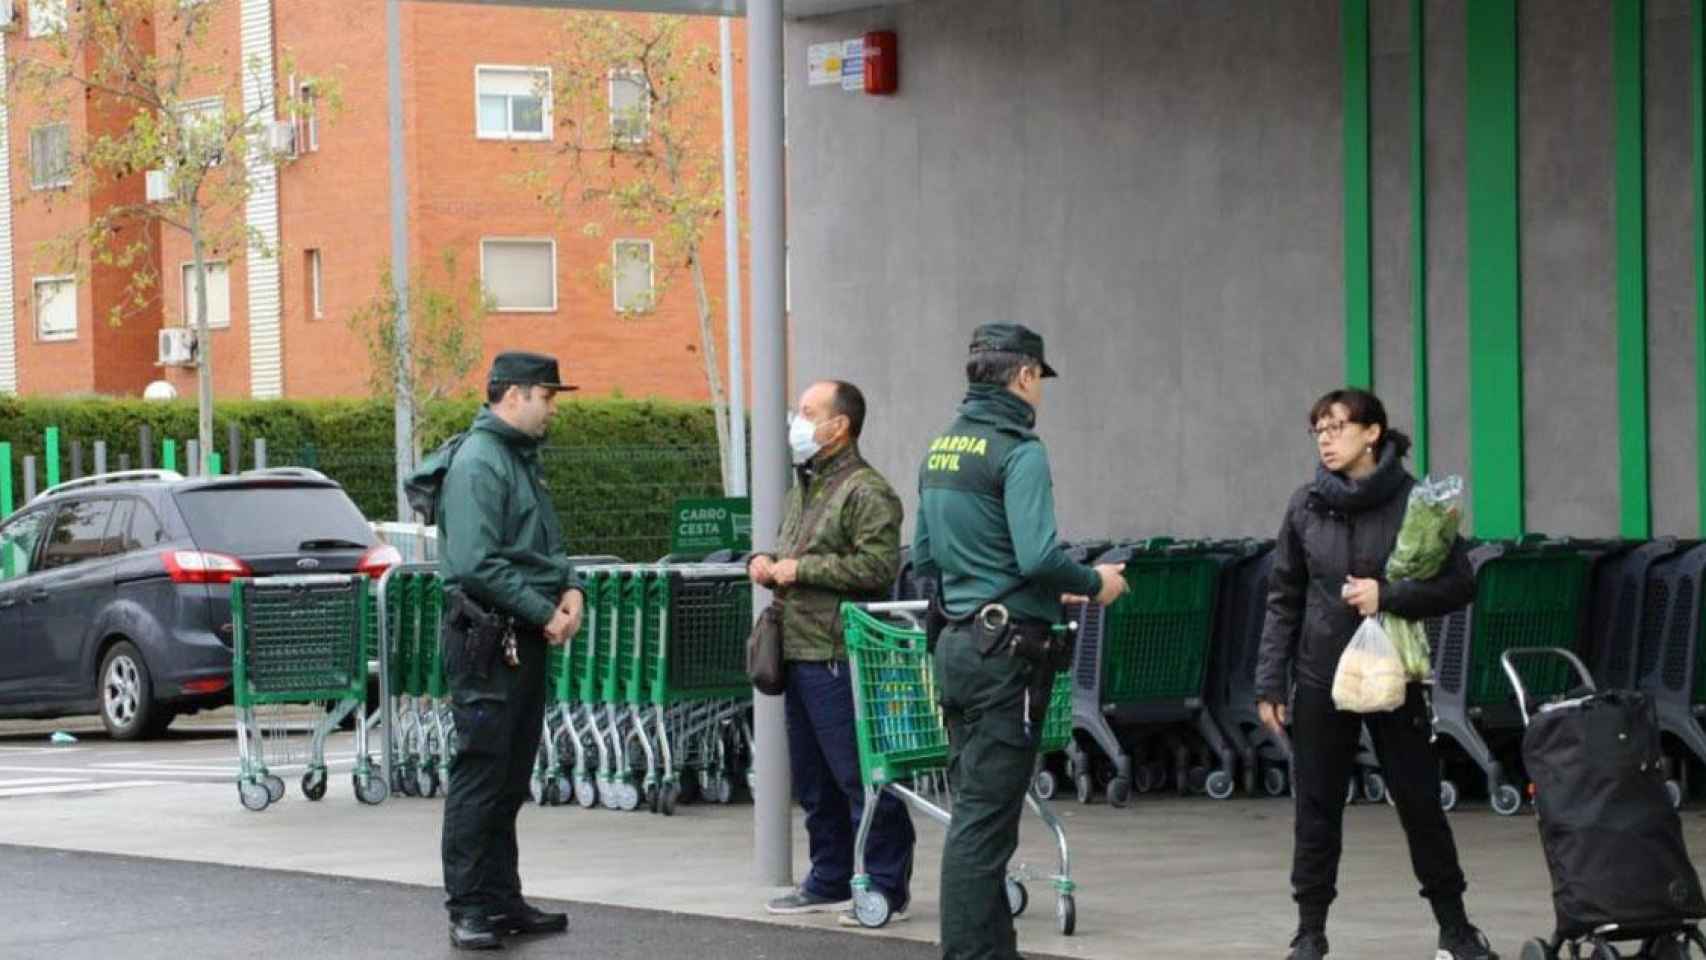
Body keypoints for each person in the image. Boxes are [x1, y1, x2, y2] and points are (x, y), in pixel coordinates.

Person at [911, 324, 1128, 960]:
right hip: (1008, 658)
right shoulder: (1019, 450)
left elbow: (926, 552)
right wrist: (1094, 583)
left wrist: (1014, 585)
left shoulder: (941, 448)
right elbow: (1036, 554)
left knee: (977, 812)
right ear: (1026, 375)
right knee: (985, 822)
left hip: (957, 645)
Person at [1254, 387, 1495, 960]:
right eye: (1318, 430)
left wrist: (1390, 593)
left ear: (1373, 434)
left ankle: (1456, 928)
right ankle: (1309, 931)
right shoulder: (1305, 504)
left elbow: (1460, 582)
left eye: (1338, 427)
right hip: (1320, 675)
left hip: (1394, 677)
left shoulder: (1416, 503)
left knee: (1418, 801)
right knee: (1316, 805)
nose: (1327, 439)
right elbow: (1283, 597)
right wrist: (1270, 681)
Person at [434, 352, 585, 951]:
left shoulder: (518, 460)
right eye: (548, 396)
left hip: (515, 634)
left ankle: (501, 898)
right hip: (487, 638)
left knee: (510, 772)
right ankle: (469, 905)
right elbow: (477, 562)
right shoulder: (480, 462)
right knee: (481, 771)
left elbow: (545, 545)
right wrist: (545, 609)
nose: (553, 407)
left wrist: (571, 586)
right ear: (516, 395)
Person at [756, 380, 917, 925]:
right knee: (813, 779)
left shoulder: (867, 490)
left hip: (839, 653)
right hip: (800, 648)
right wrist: (767, 560)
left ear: (838, 425)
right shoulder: (805, 485)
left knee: (860, 776)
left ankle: (886, 886)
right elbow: (794, 550)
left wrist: (801, 570)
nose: (797, 422)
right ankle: (828, 877)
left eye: (807, 412)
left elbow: (878, 568)